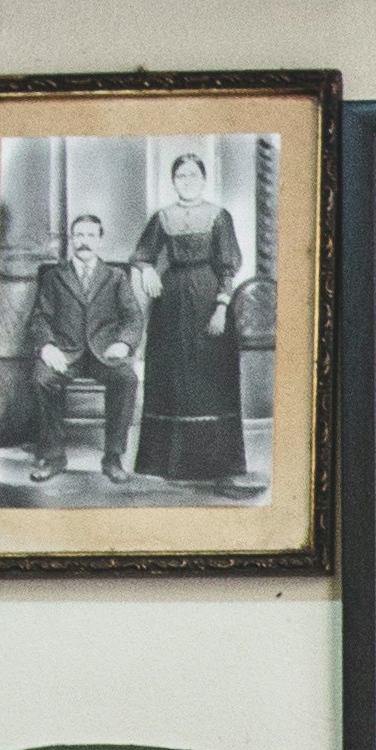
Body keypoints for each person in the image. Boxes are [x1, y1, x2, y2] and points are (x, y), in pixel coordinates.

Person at [131, 144, 262, 492]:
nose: (186, 180)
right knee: (172, 374)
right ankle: (166, 464)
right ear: (173, 180)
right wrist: (147, 270)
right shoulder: (162, 217)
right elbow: (142, 254)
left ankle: (215, 466)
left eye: (193, 175)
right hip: (170, 301)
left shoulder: (219, 215)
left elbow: (228, 266)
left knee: (209, 378)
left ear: (203, 179)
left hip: (208, 298)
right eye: (180, 175)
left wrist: (221, 307)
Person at [20, 208, 150, 482]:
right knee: (43, 378)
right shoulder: (54, 276)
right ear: (71, 238)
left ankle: (113, 458)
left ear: (100, 240)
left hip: (104, 353)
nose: (84, 241)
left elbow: (133, 317)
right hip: (66, 353)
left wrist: (124, 344)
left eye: (91, 235)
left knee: (126, 379)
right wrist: (47, 347)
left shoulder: (115, 276)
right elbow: (39, 318)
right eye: (79, 234)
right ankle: (54, 457)